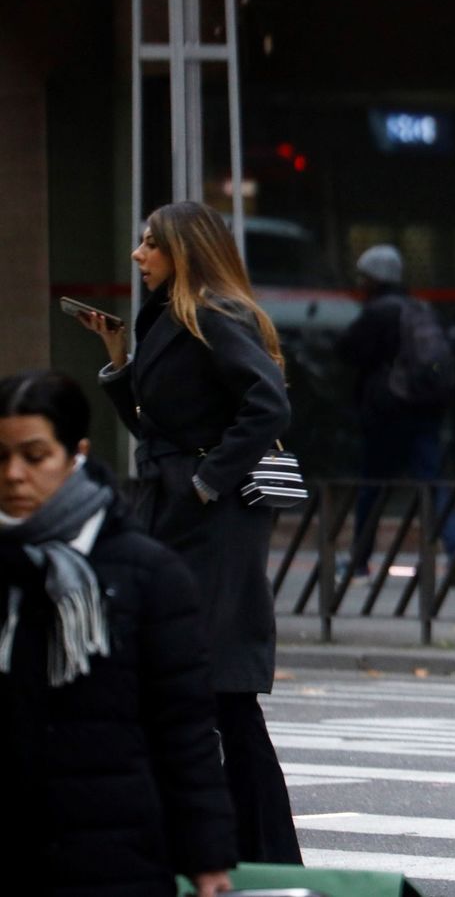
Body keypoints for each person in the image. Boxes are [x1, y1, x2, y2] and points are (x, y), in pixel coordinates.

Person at [77, 200, 302, 863]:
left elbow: (268, 404)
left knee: (215, 687)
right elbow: (162, 430)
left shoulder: (213, 314)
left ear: (184, 251)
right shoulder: (170, 320)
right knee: (197, 689)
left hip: (214, 525)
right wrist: (119, 362)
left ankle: (258, 852)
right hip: (176, 513)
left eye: (150, 243)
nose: (138, 255)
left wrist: (211, 481)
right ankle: (233, 845)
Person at [0, 370, 237, 896]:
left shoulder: (147, 574)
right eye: (0, 457)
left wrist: (207, 858)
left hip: (114, 855)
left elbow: (185, 727)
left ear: (75, 454)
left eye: (34, 456)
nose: (14, 475)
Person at [337, 243, 455, 577]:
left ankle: (360, 559)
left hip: (387, 412)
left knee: (372, 487)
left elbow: (348, 350)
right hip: (425, 409)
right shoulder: (418, 307)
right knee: (432, 483)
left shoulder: (379, 311)